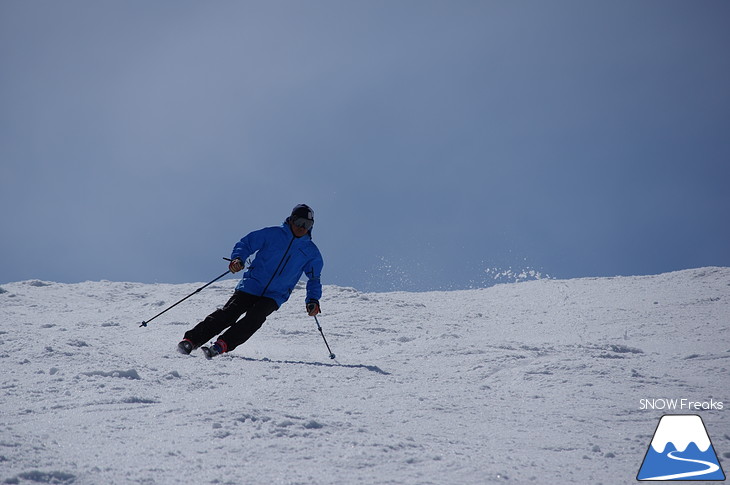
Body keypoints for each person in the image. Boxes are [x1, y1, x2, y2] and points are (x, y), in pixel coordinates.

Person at [178, 204, 323, 359]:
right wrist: (238, 258)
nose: (302, 227)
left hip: (275, 295)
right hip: (252, 285)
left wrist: (313, 300)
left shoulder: (311, 252)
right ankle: (192, 340)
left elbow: (314, 278)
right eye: (300, 222)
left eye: (307, 225)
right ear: (292, 220)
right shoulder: (272, 234)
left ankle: (222, 345)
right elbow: (246, 244)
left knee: (255, 318)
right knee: (229, 313)